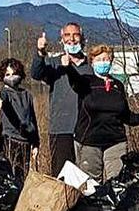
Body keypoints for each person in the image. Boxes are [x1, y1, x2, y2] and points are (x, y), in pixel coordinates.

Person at [65, 44, 139, 182]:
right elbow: (74, 79)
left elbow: (125, 115)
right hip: (89, 141)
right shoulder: (86, 82)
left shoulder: (118, 85)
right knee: (90, 184)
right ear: (92, 62)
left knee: (117, 181)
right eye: (99, 60)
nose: (103, 62)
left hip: (115, 141)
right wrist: (68, 67)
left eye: (106, 59)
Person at [31, 24, 93, 176]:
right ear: (62, 39)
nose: (71, 39)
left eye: (76, 35)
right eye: (67, 35)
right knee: (62, 178)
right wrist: (40, 52)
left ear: (82, 38)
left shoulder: (91, 66)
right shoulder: (55, 64)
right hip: (61, 129)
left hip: (87, 129)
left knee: (88, 178)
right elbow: (36, 73)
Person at [0, 57, 40, 181]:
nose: (11, 77)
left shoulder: (26, 95)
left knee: (22, 178)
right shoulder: (5, 93)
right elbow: (2, 99)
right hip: (9, 141)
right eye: (7, 74)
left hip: (25, 142)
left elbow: (32, 119)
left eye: (14, 74)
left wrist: (35, 143)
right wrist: (0, 102)